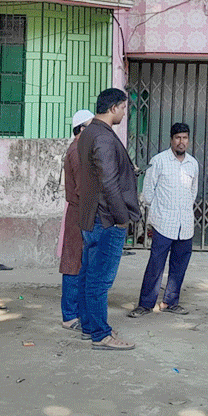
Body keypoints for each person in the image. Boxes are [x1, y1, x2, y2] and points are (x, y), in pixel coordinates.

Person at [76, 87, 141, 351]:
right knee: (100, 280)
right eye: (124, 108)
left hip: (92, 215)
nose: (125, 113)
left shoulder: (88, 132)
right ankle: (101, 335)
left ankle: (90, 326)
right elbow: (108, 181)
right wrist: (122, 218)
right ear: (113, 107)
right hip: (105, 219)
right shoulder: (102, 137)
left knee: (90, 275)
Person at [129, 122, 199, 318]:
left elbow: (193, 192)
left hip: (185, 224)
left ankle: (170, 301)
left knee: (180, 265)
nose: (181, 141)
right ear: (171, 139)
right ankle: (145, 304)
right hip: (163, 223)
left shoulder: (193, 164)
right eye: (178, 137)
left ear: (188, 140)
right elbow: (148, 192)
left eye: (185, 138)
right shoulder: (159, 161)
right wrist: (158, 213)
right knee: (156, 265)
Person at [60, 109, 95, 331]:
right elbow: (83, 187)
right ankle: (70, 315)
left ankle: (76, 312)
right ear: (81, 129)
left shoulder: (79, 150)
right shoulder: (77, 152)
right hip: (79, 211)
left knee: (79, 262)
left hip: (80, 210)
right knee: (73, 263)